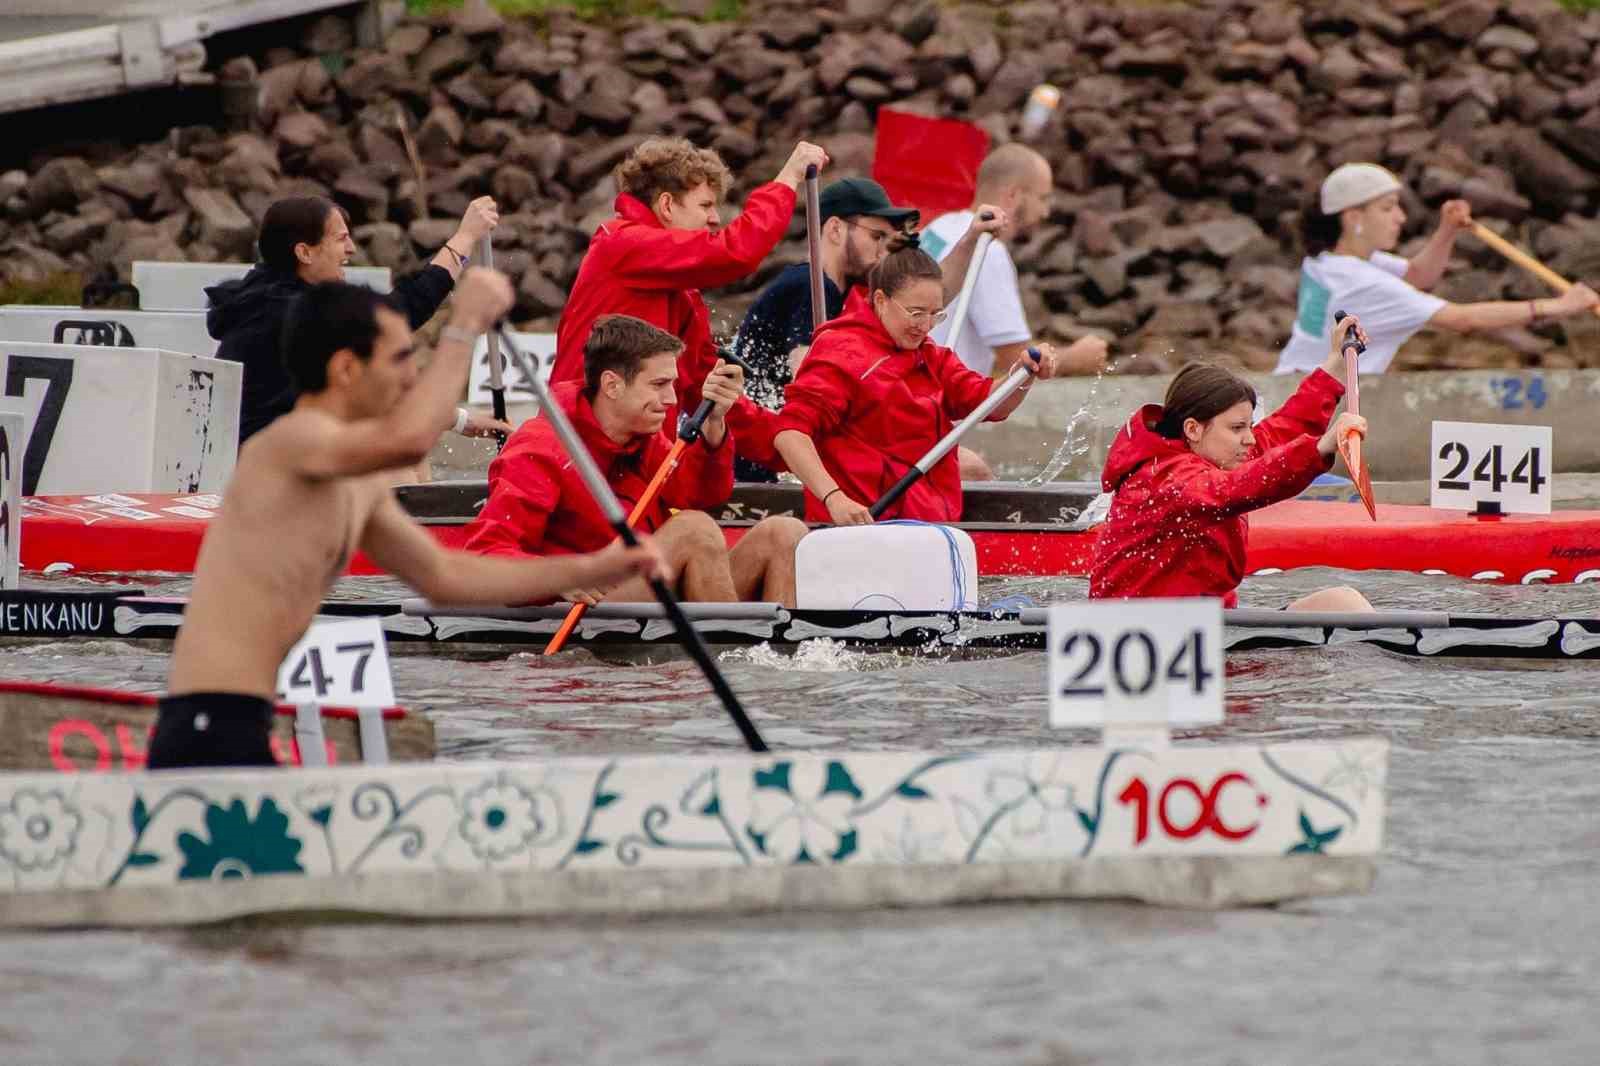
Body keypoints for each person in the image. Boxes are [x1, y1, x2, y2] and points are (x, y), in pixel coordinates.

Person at [150, 274, 666, 769]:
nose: (410, 376)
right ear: (347, 370)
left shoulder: (359, 484)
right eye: (400, 358)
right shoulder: (288, 445)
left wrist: (585, 570)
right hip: (206, 721)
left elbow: (448, 577)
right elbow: (411, 439)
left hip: (257, 719)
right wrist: (463, 324)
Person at [463, 314, 808, 606]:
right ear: (612, 385)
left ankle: (778, 663)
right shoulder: (540, 448)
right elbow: (485, 555)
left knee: (784, 532)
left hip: (649, 585)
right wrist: (558, 579)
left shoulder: (644, 437)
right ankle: (733, 665)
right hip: (588, 607)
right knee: (693, 530)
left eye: (672, 384)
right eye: (659, 384)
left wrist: (715, 424)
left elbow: (703, 497)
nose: (672, 399)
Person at [550, 136, 829, 475]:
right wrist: (788, 178)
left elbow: (706, 387)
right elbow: (735, 251)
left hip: (635, 458)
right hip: (583, 453)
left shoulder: (679, 289)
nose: (715, 218)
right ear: (667, 205)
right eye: (706, 205)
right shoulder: (621, 243)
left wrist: (792, 444)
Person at [1091, 314, 1375, 611]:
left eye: (1249, 426)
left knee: (1342, 601)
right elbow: (1235, 488)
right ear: (1193, 429)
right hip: (1147, 636)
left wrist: (1334, 367)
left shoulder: (1215, 456)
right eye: (1237, 428)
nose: (1250, 439)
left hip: (1211, 629)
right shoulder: (1164, 479)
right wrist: (1322, 447)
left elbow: (1281, 431)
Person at [730, 177, 1004, 481]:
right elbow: (806, 375)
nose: (883, 250)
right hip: (763, 460)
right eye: (876, 236)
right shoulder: (808, 286)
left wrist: (971, 239)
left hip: (797, 444)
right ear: (835, 229)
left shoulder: (847, 287)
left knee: (956, 463)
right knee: (969, 468)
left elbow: (927, 298)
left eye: (888, 239)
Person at [772, 248, 1067, 525]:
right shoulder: (841, 353)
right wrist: (834, 498)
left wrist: (1023, 374)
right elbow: (790, 434)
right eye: (916, 313)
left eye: (935, 314)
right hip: (859, 527)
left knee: (975, 468)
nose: (926, 326)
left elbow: (991, 404)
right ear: (880, 301)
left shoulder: (930, 356)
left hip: (926, 528)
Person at [207, 194, 514, 443]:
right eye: (341, 239)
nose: (352, 249)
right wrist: (465, 239)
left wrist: (461, 422)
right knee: (403, 459)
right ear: (305, 252)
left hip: (278, 448)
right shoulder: (287, 311)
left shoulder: (264, 296)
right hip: (272, 471)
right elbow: (400, 312)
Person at [1275, 162, 1600, 374]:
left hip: (1291, 385)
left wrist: (1446, 231)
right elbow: (1463, 320)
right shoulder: (1363, 283)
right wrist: (1560, 305)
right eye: (1387, 209)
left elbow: (1419, 276)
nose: (1401, 217)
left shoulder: (1327, 261)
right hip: (1307, 409)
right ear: (1354, 218)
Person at [919, 144, 1110, 379]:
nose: (1046, 212)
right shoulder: (987, 250)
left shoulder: (941, 227)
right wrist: (1076, 357)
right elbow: (1014, 358)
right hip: (942, 404)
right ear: (1013, 195)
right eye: (1042, 198)